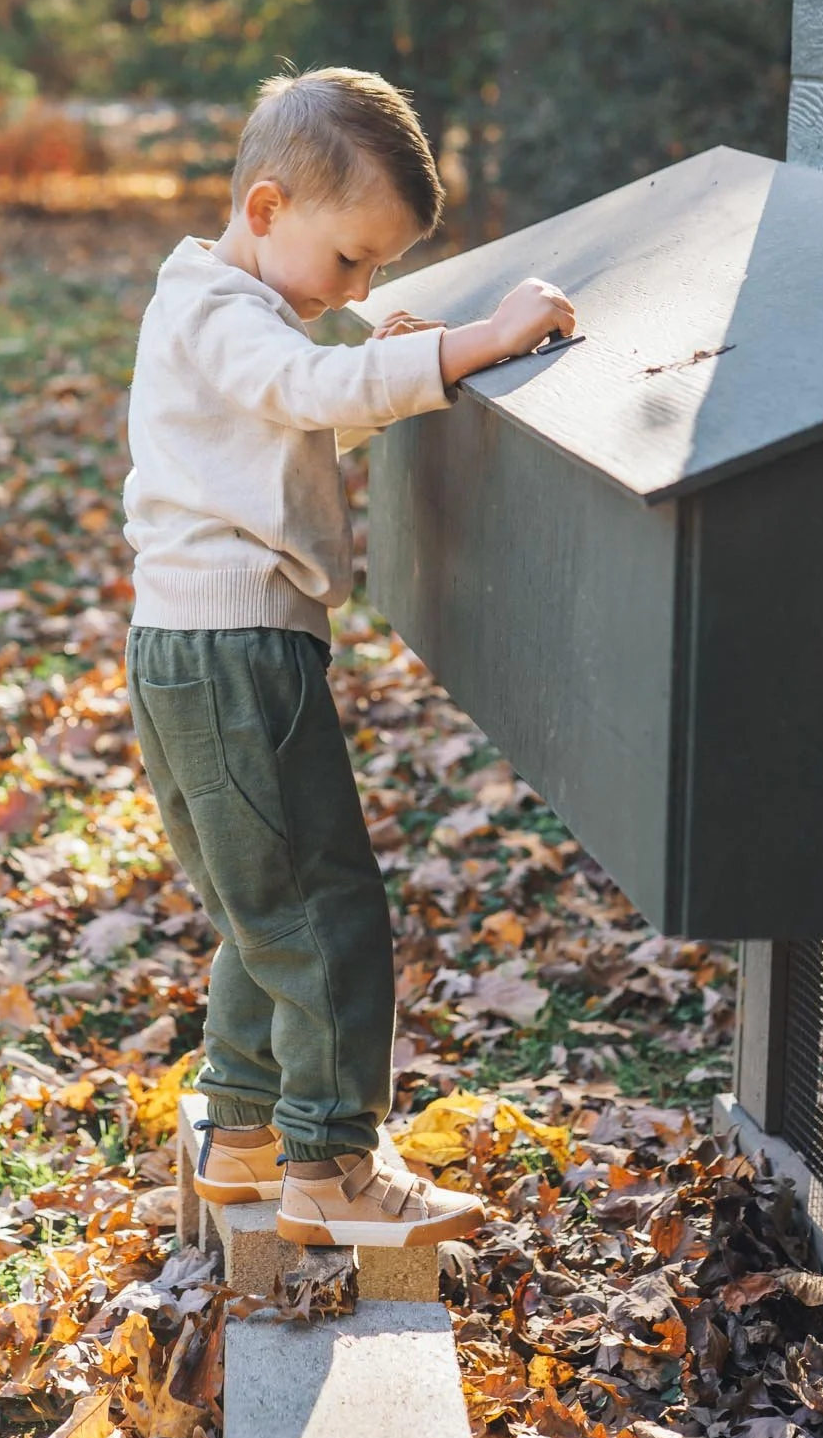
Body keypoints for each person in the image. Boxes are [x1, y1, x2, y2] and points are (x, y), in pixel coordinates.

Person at [122, 67, 576, 1249]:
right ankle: (332, 1167)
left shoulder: (229, 307)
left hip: (191, 644)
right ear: (265, 210)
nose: (361, 290)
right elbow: (307, 386)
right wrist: (475, 346)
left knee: (257, 904)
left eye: (376, 269)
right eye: (352, 262)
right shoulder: (227, 316)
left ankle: (242, 1125)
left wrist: (399, 362)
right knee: (327, 914)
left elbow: (301, 412)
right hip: (237, 654)